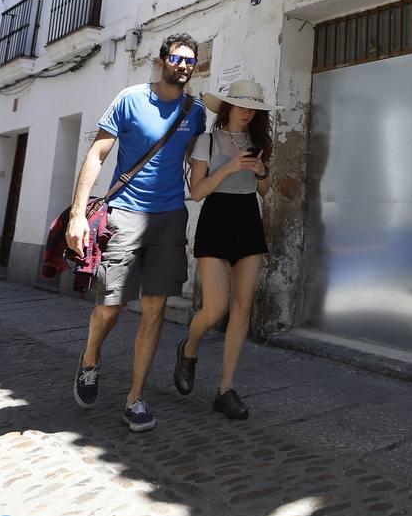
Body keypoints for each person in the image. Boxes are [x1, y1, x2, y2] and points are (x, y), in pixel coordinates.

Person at [67, 33, 206, 433]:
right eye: (177, 58)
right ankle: (91, 358)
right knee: (109, 306)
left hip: (169, 218)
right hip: (124, 214)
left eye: (190, 61)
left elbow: (199, 159)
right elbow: (97, 153)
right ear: (162, 60)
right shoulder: (130, 99)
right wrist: (79, 213)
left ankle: (135, 398)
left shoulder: (194, 112)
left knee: (156, 309)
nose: (183, 65)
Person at [172, 79, 276, 420]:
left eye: (253, 108)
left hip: (248, 217)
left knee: (242, 307)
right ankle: (189, 349)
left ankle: (225, 389)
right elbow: (198, 191)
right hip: (216, 218)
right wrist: (229, 167)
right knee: (215, 309)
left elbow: (263, 191)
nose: (248, 112)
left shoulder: (258, 142)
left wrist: (261, 171)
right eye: (242, 105)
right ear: (228, 107)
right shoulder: (207, 140)